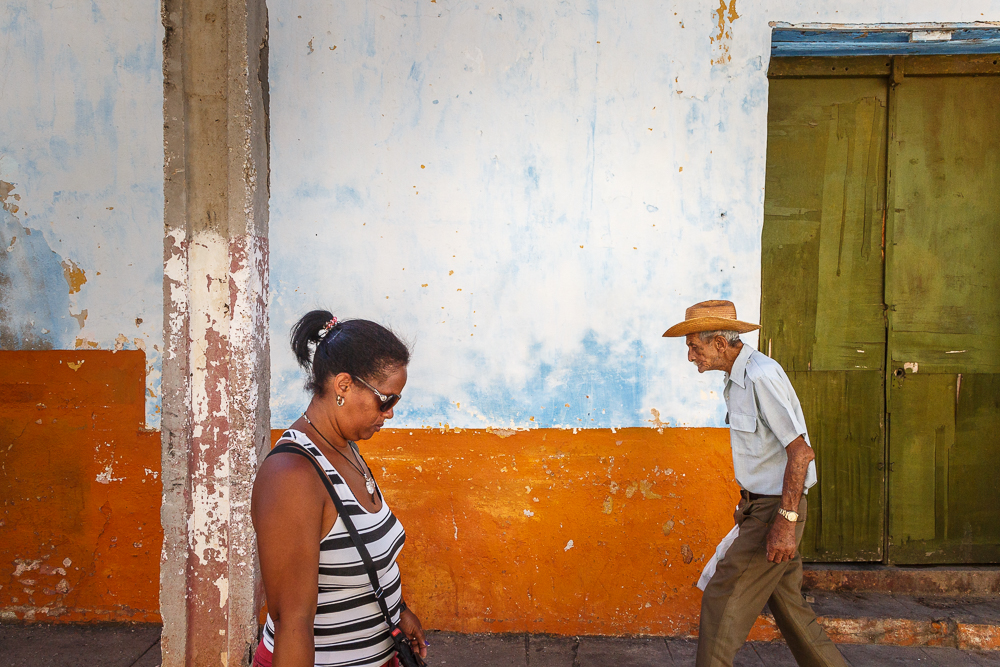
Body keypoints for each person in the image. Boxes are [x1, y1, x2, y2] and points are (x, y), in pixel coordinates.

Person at [663, 300, 847, 667]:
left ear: (719, 342)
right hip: (760, 507)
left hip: (775, 510)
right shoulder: (738, 379)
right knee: (791, 608)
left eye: (694, 347)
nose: (690, 357)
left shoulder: (761, 376)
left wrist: (785, 521)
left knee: (722, 595)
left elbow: (801, 453)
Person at [251, 311, 428, 667]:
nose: (390, 413)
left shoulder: (346, 449)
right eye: (386, 399)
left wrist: (398, 610)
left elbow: (358, 551)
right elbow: (292, 624)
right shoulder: (292, 475)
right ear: (344, 386)